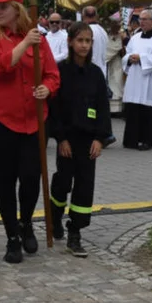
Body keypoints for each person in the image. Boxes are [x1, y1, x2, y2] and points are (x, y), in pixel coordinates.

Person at [0, 0, 60, 263]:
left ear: (17, 9)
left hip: (34, 120)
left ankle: (26, 223)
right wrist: (25, 43)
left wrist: (47, 89)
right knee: (6, 179)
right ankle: (11, 236)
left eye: (3, 6)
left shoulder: (40, 39)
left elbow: (52, 74)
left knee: (30, 177)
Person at [48, 22, 112, 257]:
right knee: (63, 181)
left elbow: (102, 107)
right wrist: (61, 138)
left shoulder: (95, 73)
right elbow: (54, 107)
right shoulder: (60, 71)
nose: (84, 45)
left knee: (84, 187)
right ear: (71, 42)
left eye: (88, 41)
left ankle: (75, 231)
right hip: (67, 139)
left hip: (88, 140)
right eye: (80, 41)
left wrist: (100, 139)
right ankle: (54, 215)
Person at [122, 9, 152, 150]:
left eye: (146, 19)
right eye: (141, 19)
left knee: (148, 109)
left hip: (150, 79)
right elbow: (127, 53)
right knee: (134, 108)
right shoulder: (135, 37)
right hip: (135, 78)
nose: (142, 22)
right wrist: (129, 58)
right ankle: (132, 140)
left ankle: (148, 139)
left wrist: (141, 58)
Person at [81, 6, 109, 78]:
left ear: (83, 16)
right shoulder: (103, 31)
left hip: (89, 73)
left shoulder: (86, 31)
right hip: (102, 72)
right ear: (96, 16)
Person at [105, 19, 125, 114]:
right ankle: (111, 108)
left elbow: (118, 48)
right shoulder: (107, 36)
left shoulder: (121, 36)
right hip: (109, 63)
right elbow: (107, 48)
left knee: (117, 82)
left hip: (117, 62)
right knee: (110, 81)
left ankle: (118, 109)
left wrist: (121, 44)